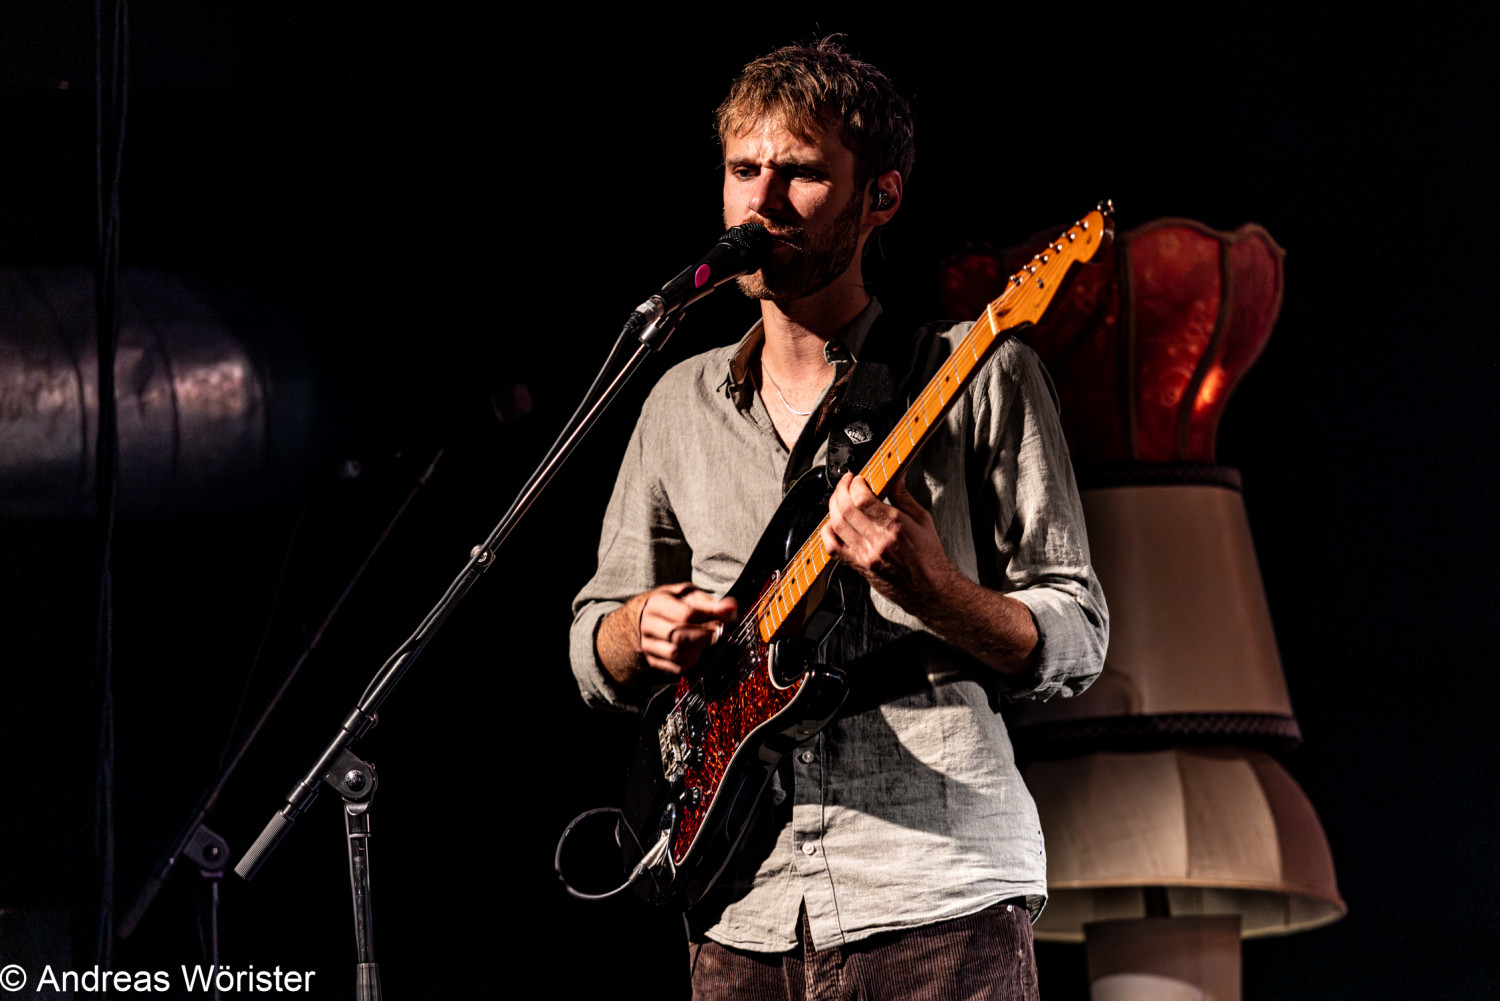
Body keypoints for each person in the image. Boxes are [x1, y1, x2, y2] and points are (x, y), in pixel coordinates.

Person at [569, 39, 1107, 1001]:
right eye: (744, 170)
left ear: (881, 198)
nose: (762, 199)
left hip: (937, 890)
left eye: (803, 172)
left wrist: (937, 593)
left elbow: (1077, 634)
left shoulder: (982, 372)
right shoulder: (676, 403)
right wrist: (637, 629)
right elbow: (591, 638)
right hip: (738, 904)